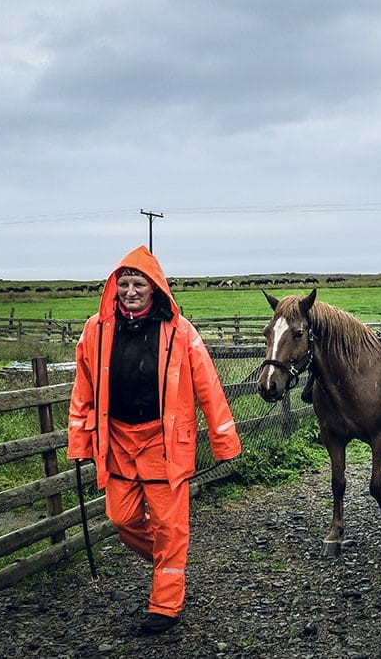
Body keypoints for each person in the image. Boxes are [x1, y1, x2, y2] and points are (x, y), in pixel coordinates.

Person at [67, 245, 241, 634]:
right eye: (124, 283)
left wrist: (223, 439)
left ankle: (164, 604)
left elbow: (208, 388)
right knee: (121, 518)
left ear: (155, 288)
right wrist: (80, 440)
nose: (130, 291)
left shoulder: (180, 332)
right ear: (114, 287)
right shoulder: (96, 330)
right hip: (116, 441)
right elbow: (84, 389)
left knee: (170, 525)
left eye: (138, 283)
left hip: (164, 443)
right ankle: (170, 565)